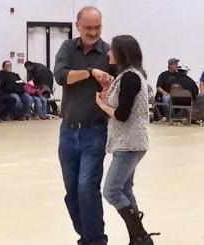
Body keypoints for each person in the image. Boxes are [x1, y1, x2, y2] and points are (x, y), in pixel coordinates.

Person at [53, 6, 113, 245]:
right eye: (88, 28)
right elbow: (61, 76)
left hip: (95, 131)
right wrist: (90, 72)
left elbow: (121, 83)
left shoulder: (109, 52)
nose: (93, 32)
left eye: (97, 27)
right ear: (78, 26)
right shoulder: (68, 48)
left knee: (87, 187)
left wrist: (108, 84)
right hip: (67, 132)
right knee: (72, 192)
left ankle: (96, 240)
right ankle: (86, 237)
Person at [95, 35, 155, 245]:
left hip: (130, 143)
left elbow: (122, 114)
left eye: (112, 50)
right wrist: (107, 95)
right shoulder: (129, 76)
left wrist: (102, 105)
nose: (109, 53)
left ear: (121, 53)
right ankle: (137, 238)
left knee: (111, 190)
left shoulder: (130, 77)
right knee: (125, 189)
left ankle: (140, 236)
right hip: (131, 142)